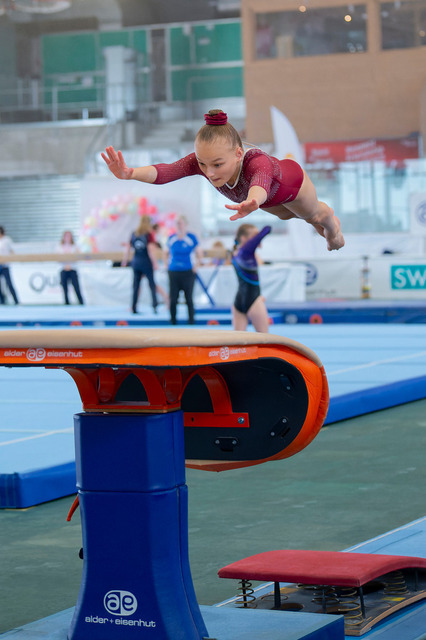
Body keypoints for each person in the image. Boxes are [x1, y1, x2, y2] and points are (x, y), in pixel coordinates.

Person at [101, 109, 344, 252]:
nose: (209, 172)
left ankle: (333, 231)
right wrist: (130, 173)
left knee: (314, 216)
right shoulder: (204, 162)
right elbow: (167, 171)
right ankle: (323, 224)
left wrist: (253, 200)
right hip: (265, 201)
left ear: (238, 154)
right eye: (202, 164)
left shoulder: (257, 162)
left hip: (291, 185)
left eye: (217, 164)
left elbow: (260, 181)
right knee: (287, 216)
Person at [232, 224, 271, 333]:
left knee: (238, 341)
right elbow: (267, 228)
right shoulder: (245, 252)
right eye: (254, 236)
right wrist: (258, 238)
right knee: (264, 338)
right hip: (253, 300)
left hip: (239, 300)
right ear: (243, 238)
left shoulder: (235, 253)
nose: (256, 239)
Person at [165, 215, 203, 325]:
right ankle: (173, 321)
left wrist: (196, 266)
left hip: (188, 271)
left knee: (189, 298)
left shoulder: (191, 237)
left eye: (181, 223)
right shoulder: (172, 238)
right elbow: (165, 252)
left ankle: (191, 321)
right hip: (174, 271)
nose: (179, 226)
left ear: (185, 224)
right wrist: (166, 265)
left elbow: (199, 253)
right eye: (177, 223)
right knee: (173, 298)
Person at [122, 215, 159, 314]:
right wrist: (155, 263)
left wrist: (125, 260)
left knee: (136, 286)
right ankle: (155, 305)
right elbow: (150, 250)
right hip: (146, 262)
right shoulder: (149, 235)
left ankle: (134, 306)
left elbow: (128, 248)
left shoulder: (134, 234)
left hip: (136, 262)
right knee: (151, 284)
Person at [57, 230, 84, 305]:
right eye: (66, 236)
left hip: (72, 269)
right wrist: (65, 265)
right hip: (63, 269)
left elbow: (79, 257)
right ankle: (66, 304)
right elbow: (57, 258)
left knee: (76, 288)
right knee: (65, 289)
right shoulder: (59, 247)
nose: (67, 238)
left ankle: (81, 303)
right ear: (63, 237)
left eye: (69, 236)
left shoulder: (75, 246)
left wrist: (70, 265)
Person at [0, 226, 19, 305]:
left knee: (9, 283)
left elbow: (12, 250)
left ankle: (16, 301)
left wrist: (14, 257)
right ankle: (2, 301)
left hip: (5, 265)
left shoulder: (7, 240)